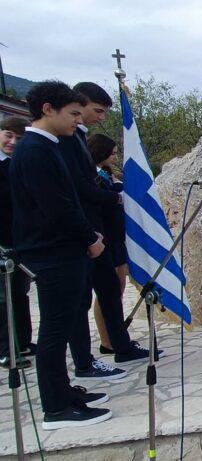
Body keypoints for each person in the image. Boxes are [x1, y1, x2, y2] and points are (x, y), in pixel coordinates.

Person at [10, 81, 111, 428]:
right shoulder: (34, 150)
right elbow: (56, 206)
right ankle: (56, 407)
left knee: (65, 322)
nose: (77, 121)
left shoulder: (48, 145)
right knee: (54, 332)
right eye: (72, 114)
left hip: (63, 249)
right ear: (48, 109)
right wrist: (89, 237)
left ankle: (65, 392)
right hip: (52, 252)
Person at [57, 83, 131, 381]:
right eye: (96, 111)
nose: (100, 118)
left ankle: (121, 345)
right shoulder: (65, 140)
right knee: (80, 302)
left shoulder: (76, 137)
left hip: (97, 233)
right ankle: (84, 362)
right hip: (84, 235)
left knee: (111, 289)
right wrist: (115, 198)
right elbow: (78, 190)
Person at [86, 133, 154, 365]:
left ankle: (117, 335)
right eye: (112, 153)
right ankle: (107, 340)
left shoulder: (108, 174)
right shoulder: (92, 175)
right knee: (107, 292)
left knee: (118, 289)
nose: (115, 157)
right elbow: (97, 200)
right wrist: (116, 197)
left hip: (117, 237)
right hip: (105, 236)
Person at [0, 117, 34, 369]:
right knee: (3, 299)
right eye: (8, 135)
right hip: (2, 243)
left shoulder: (17, 165)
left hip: (19, 241)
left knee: (19, 294)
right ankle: (6, 350)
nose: (12, 142)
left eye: (18, 139)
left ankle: (22, 342)